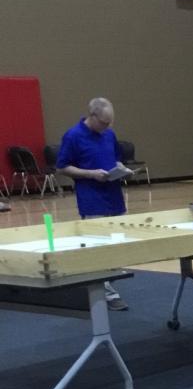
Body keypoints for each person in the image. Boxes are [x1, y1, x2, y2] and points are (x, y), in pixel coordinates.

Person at [56, 97, 132, 310]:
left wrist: (121, 169)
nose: (107, 127)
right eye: (104, 123)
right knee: (98, 245)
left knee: (118, 244)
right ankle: (107, 293)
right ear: (92, 116)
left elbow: (115, 158)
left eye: (110, 123)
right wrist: (90, 174)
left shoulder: (109, 134)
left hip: (114, 197)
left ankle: (107, 283)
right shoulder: (73, 136)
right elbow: (62, 167)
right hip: (92, 199)